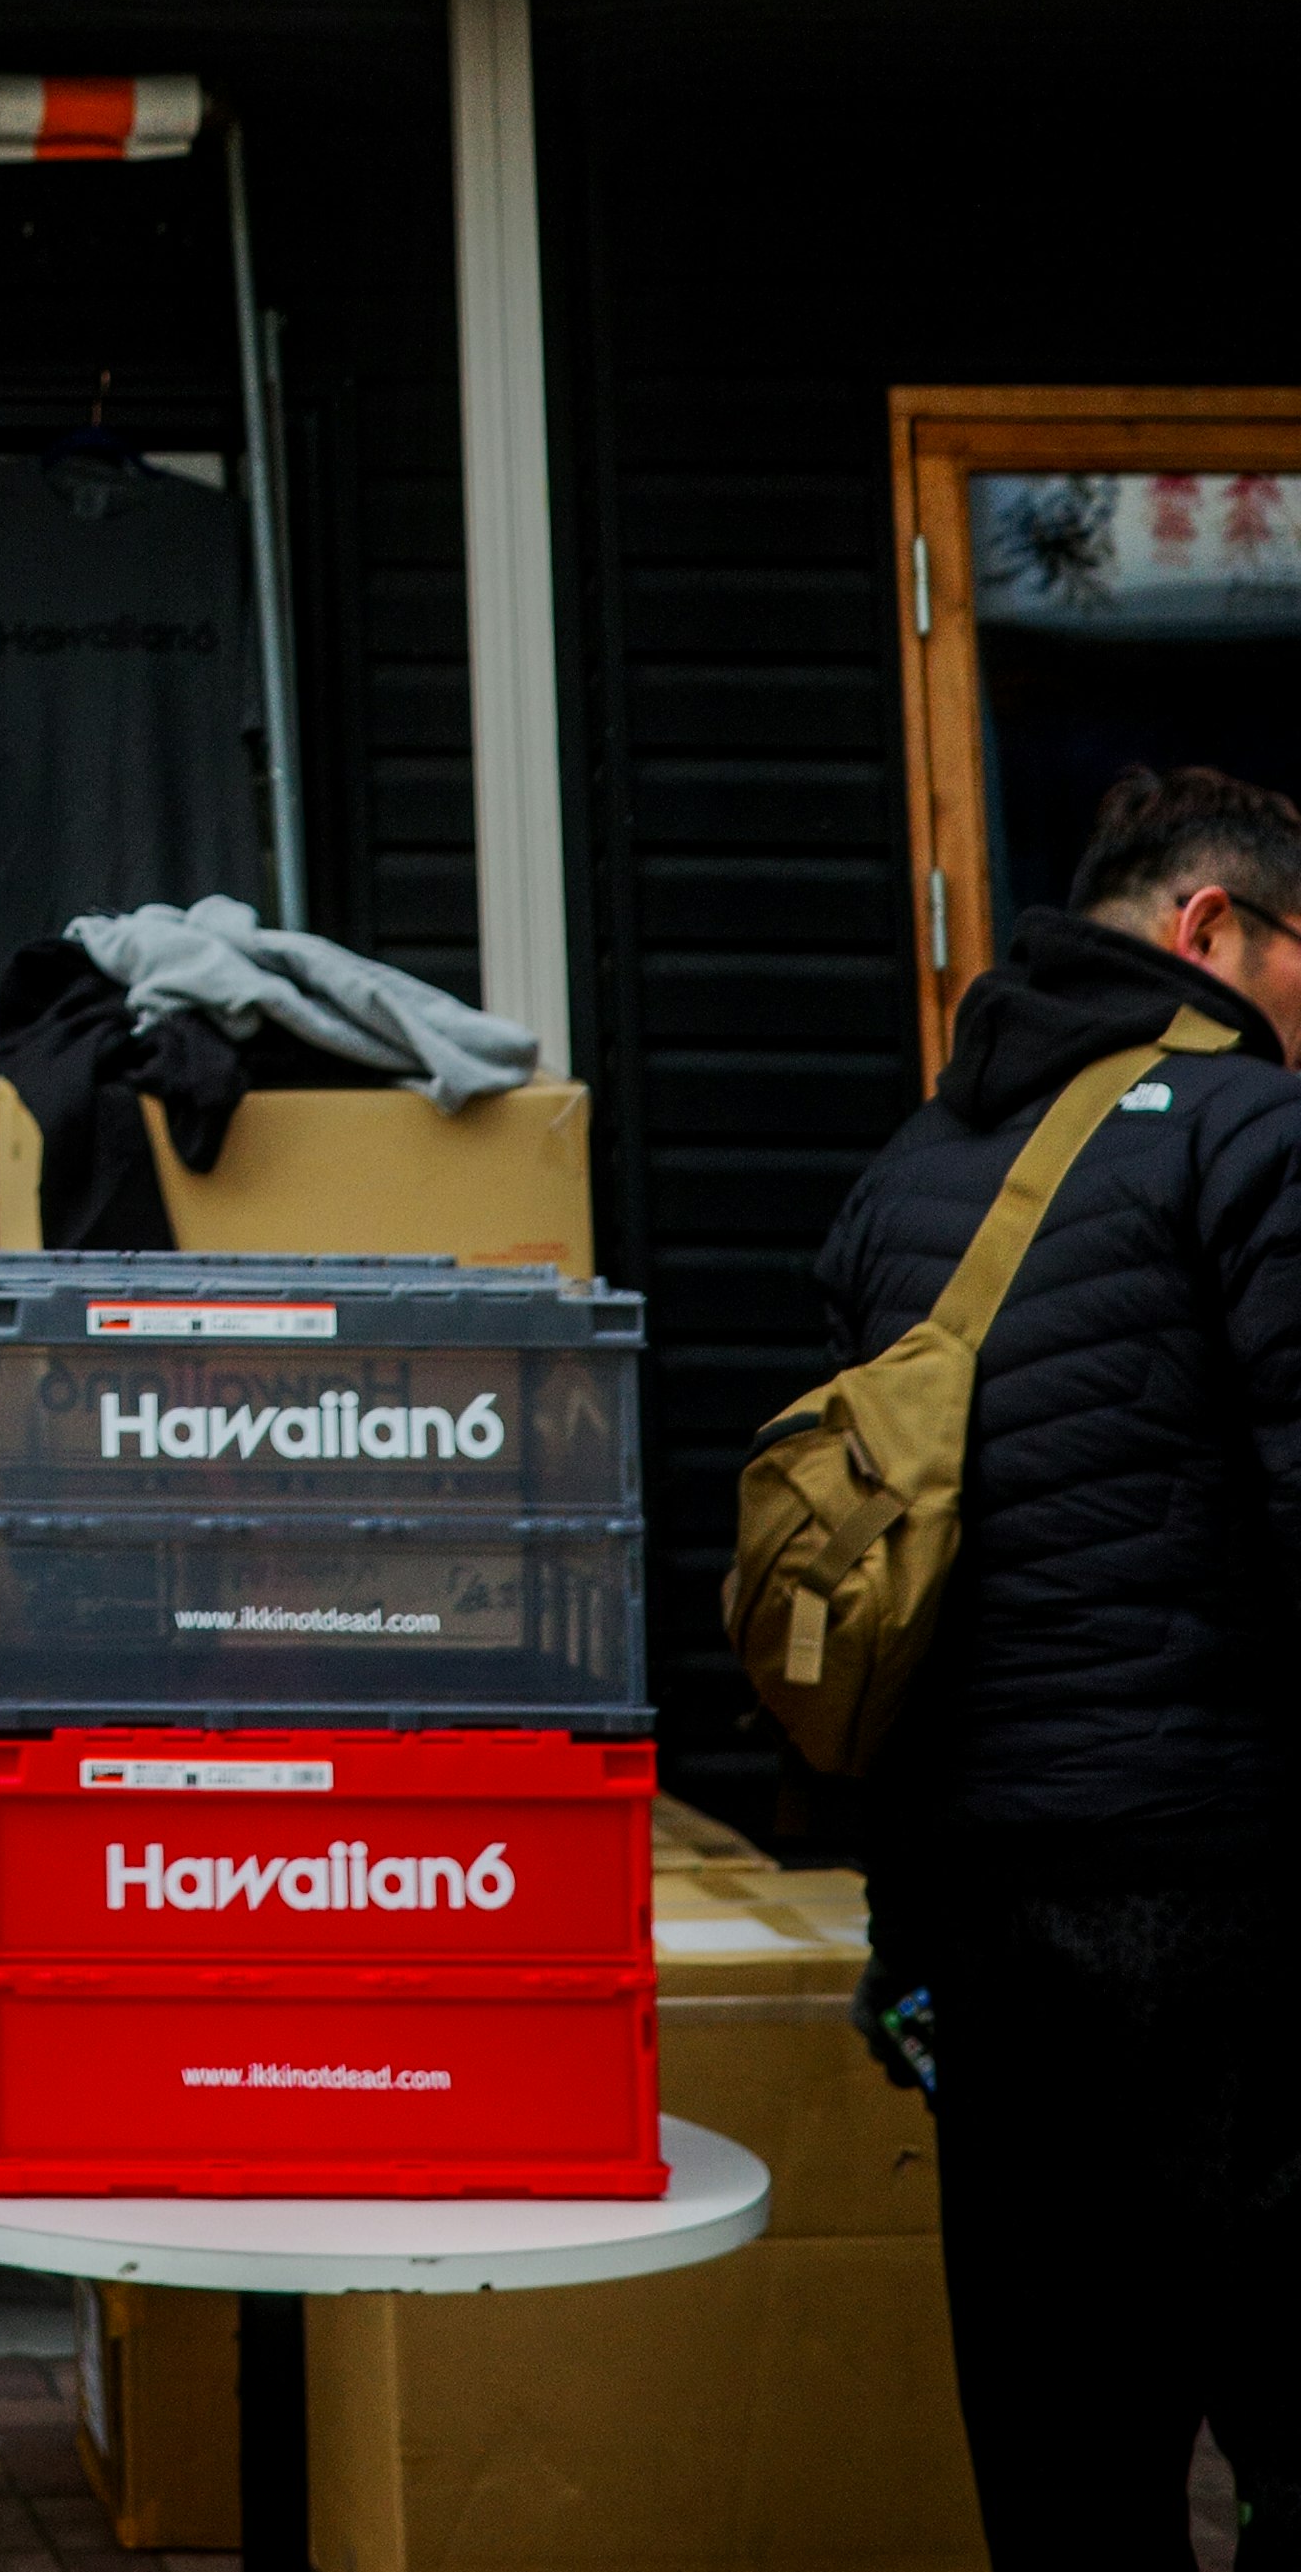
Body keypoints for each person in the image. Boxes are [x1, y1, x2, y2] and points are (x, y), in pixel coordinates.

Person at [815, 762, 1301, 2572]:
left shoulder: (905, 1182)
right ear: (1210, 928)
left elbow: (883, 1598)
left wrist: (903, 1928)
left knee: (1066, 2460)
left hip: (983, 1921)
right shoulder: (1253, 1135)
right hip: (1230, 1906)